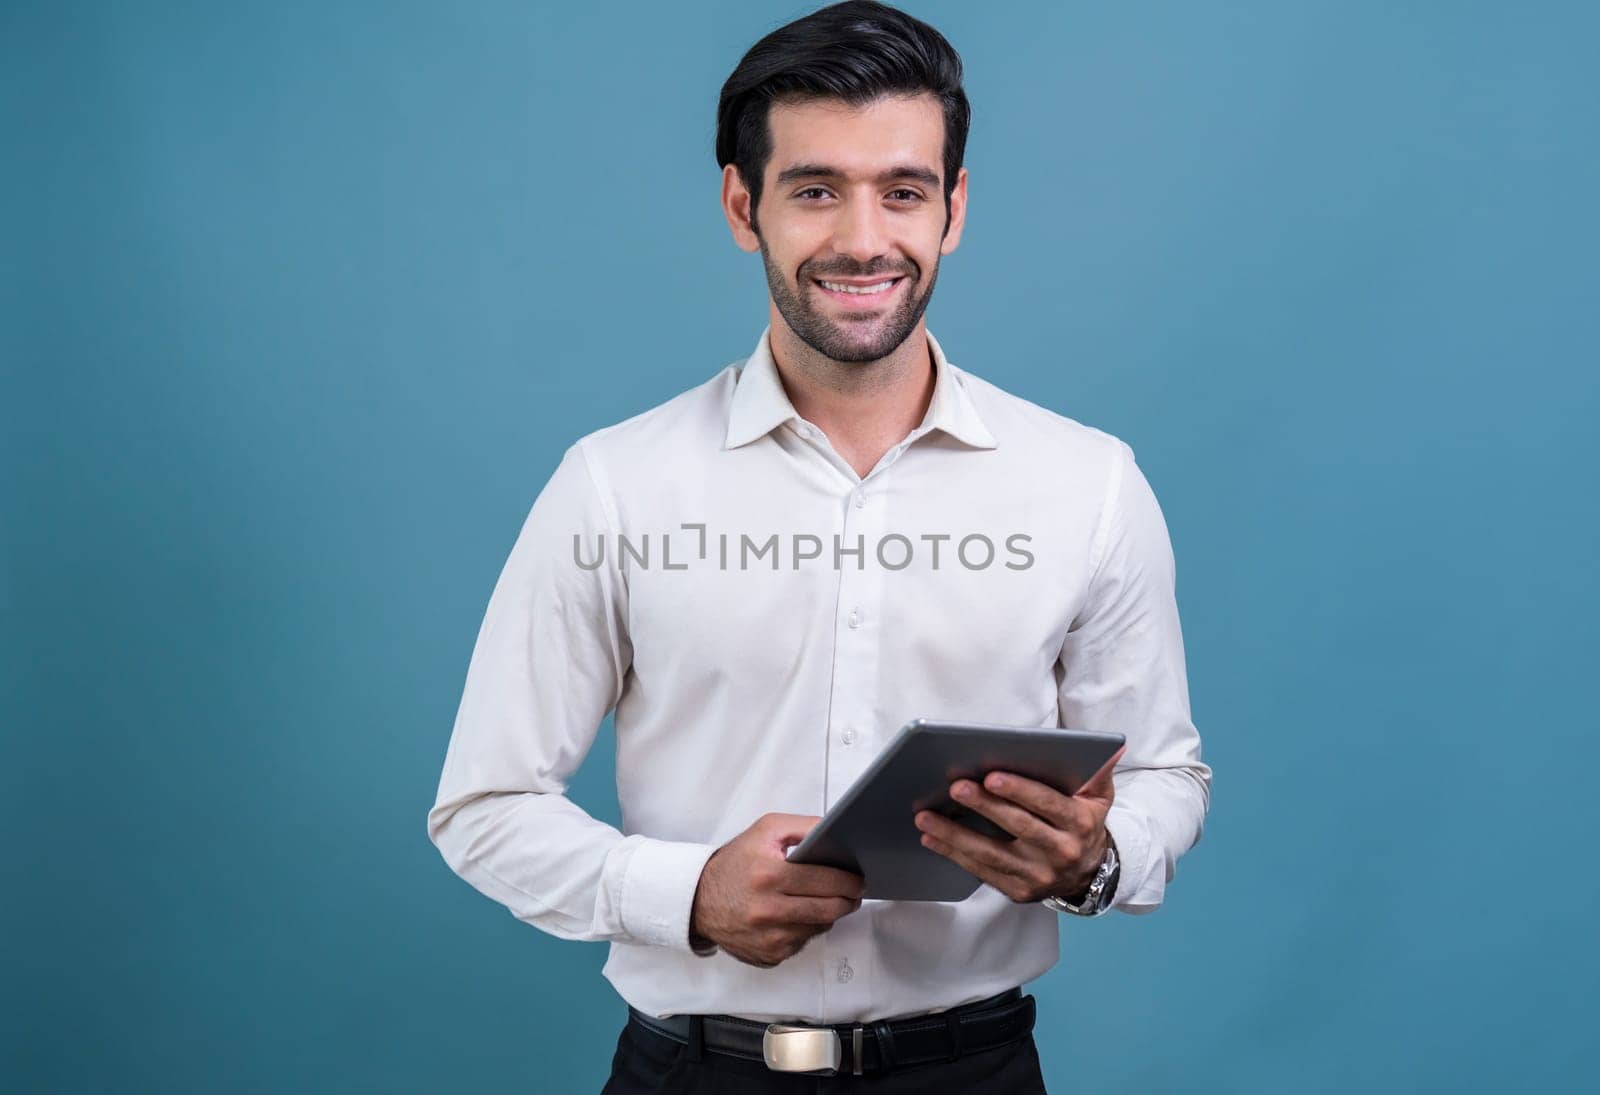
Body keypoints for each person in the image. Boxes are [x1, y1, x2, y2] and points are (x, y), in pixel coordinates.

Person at [425, 2, 1211, 1091]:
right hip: (691, 1073)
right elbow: (483, 808)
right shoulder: (613, 484)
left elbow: (1166, 774)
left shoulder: (1088, 484)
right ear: (744, 208)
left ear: (954, 208)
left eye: (902, 191)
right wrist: (687, 894)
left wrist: (1094, 862)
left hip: (974, 1070)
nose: (861, 238)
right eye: (814, 190)